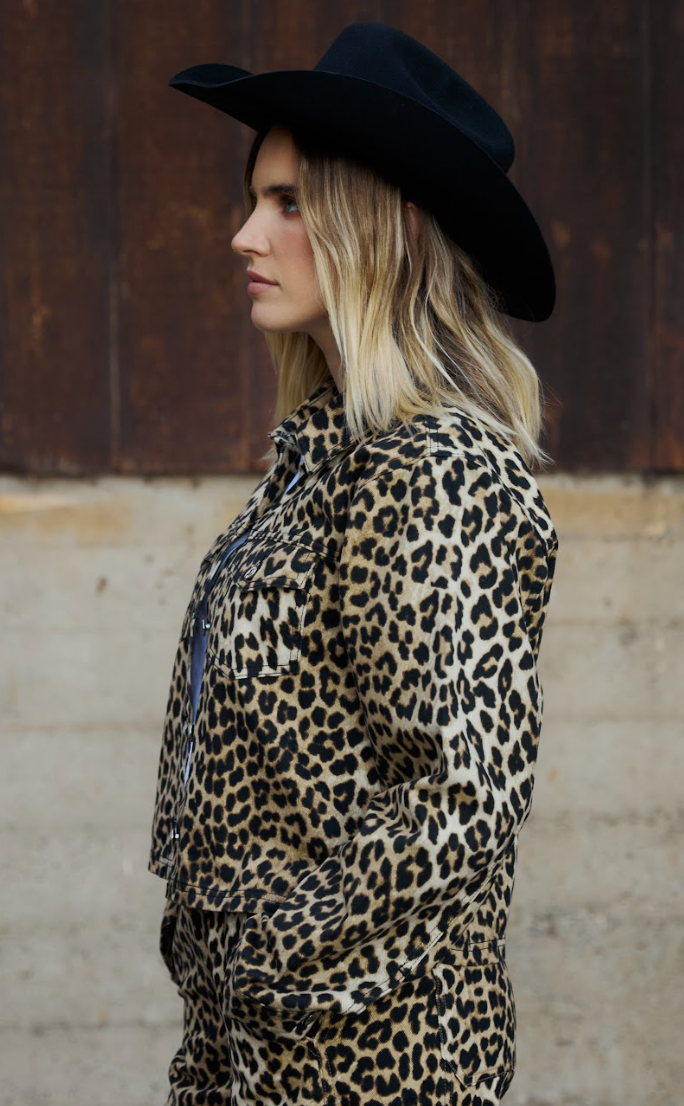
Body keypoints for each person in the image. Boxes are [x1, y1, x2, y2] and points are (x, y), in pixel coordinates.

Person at [149, 22, 559, 1106]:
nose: (244, 234)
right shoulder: (322, 458)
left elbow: (461, 801)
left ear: (386, 225)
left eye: (288, 202)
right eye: (255, 198)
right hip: (252, 1059)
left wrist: (268, 960)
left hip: (367, 1070)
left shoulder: (440, 466)